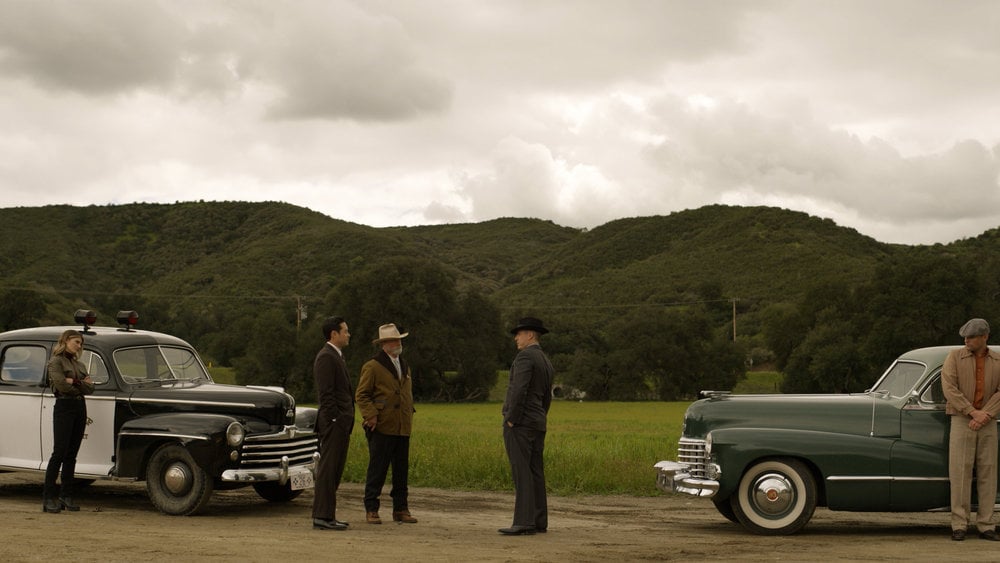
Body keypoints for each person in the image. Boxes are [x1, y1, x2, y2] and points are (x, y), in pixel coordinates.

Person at [941, 317, 1000, 541]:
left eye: (972, 336)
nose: (966, 340)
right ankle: (959, 524)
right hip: (961, 419)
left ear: (985, 337)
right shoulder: (954, 357)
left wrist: (984, 414)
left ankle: (986, 525)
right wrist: (972, 412)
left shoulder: (998, 360)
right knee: (960, 472)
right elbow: (949, 388)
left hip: (988, 420)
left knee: (988, 472)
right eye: (965, 336)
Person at [355, 323, 418, 525]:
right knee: (377, 470)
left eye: (399, 339)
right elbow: (361, 395)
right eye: (393, 340)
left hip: (402, 425)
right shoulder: (372, 366)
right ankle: (371, 509)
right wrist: (371, 415)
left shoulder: (405, 364)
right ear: (384, 344)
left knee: (401, 471)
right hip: (381, 425)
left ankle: (401, 509)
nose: (398, 343)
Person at [499, 317, 555, 536]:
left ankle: (523, 521)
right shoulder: (545, 360)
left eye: (519, 334)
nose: (516, 338)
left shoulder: (524, 358)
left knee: (521, 470)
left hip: (521, 423)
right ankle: (539, 520)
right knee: (535, 471)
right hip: (537, 421)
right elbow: (546, 398)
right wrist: (540, 416)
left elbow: (518, 390)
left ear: (530, 334)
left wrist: (511, 418)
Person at [43, 329, 95, 513]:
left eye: (80, 343)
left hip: (80, 407)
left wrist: (75, 382)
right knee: (59, 452)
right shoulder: (55, 361)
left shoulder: (79, 364)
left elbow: (91, 388)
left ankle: (66, 495)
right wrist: (79, 384)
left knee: (72, 454)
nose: (79, 346)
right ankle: (49, 497)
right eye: (76, 342)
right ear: (65, 341)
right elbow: (61, 385)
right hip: (64, 407)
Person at [311, 316, 355, 531]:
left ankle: (327, 515)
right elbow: (326, 394)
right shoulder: (326, 357)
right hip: (334, 424)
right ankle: (322, 516)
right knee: (328, 470)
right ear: (333, 334)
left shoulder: (336, 356)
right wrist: (336, 419)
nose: (348, 334)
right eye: (345, 331)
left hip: (341, 423)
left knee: (334, 470)